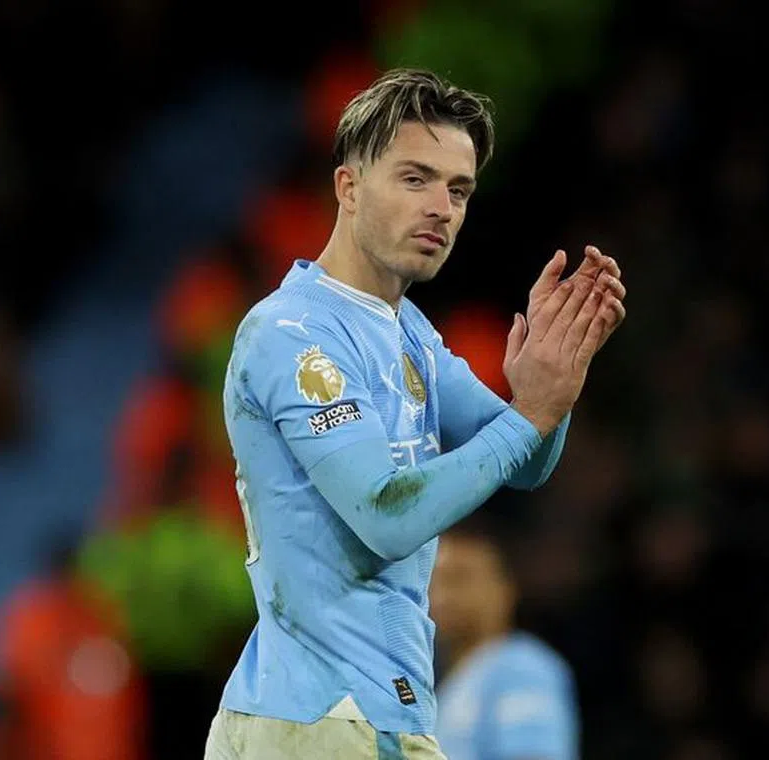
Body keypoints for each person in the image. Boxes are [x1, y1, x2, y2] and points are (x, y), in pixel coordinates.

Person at [204, 67, 626, 759]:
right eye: (415, 179)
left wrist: (554, 386)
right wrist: (531, 415)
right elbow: (387, 514)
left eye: (458, 190)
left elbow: (525, 463)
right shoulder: (292, 333)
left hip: (363, 718)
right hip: (321, 722)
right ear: (348, 186)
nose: (442, 207)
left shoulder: (412, 337)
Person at [432, 509, 580, 760]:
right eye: (434, 582)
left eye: (460, 579)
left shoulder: (522, 667)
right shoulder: (447, 683)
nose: (442, 597)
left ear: (505, 587)